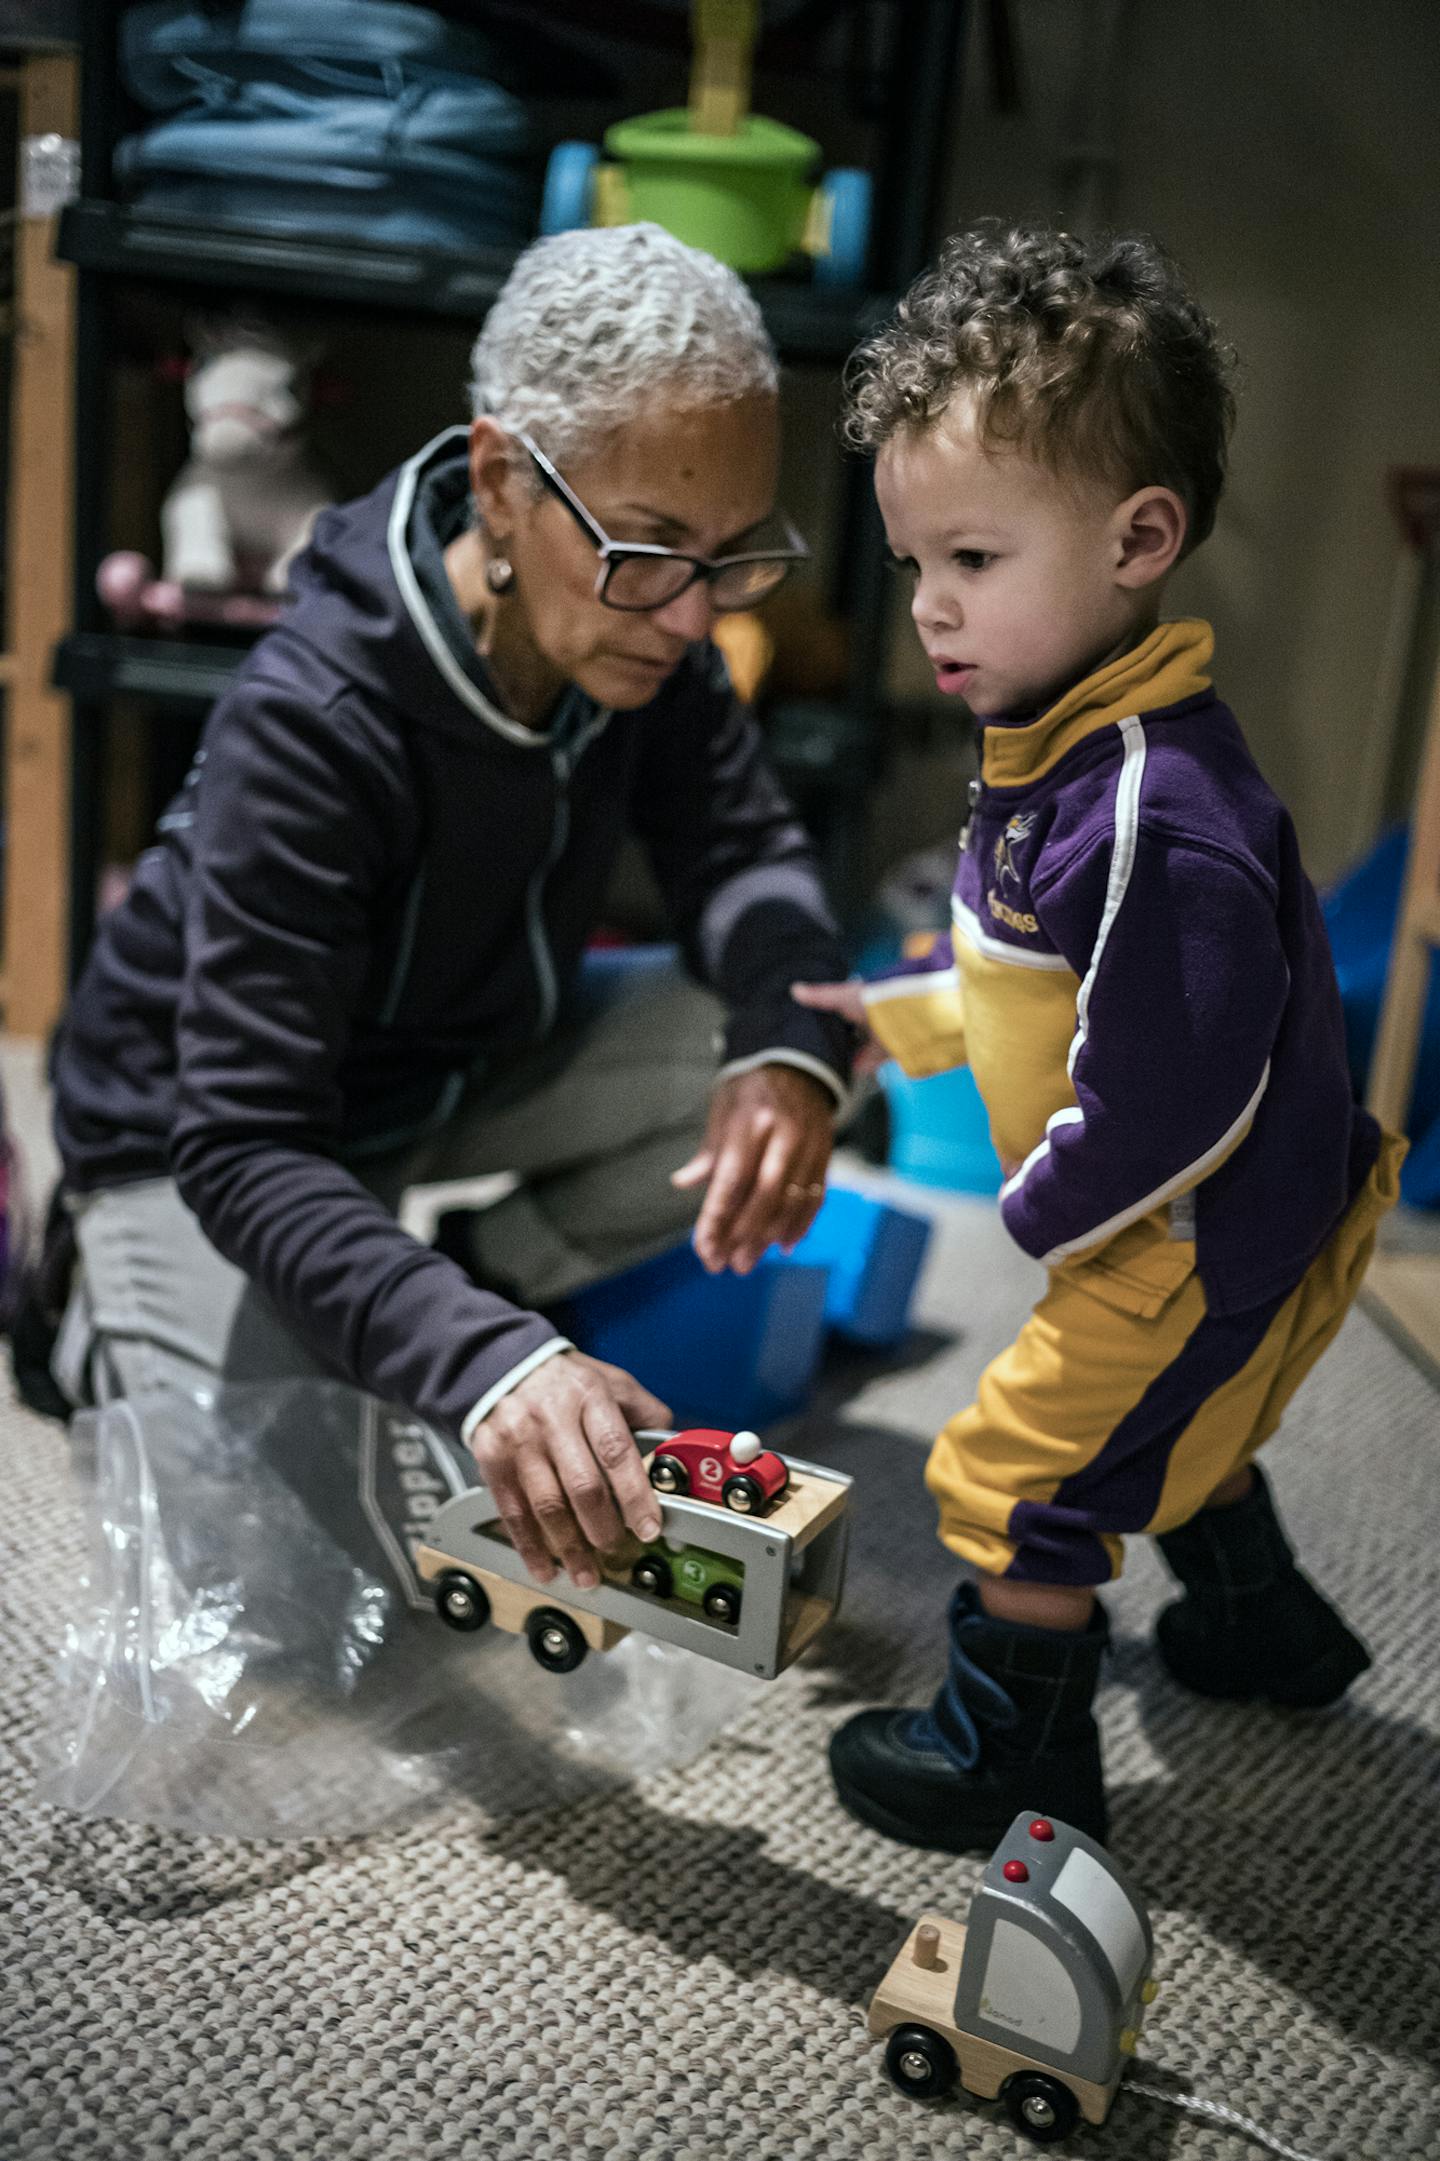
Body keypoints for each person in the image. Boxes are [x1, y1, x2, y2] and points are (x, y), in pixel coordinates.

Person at [47, 222, 855, 1596]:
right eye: (648, 551)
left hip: (446, 1062)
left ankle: (462, 1282)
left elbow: (747, 853)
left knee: (791, 1035)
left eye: (731, 557)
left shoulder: (651, 627)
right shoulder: (314, 719)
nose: (692, 617)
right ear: (498, 481)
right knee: (277, 1581)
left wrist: (788, 1048)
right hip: (200, 1136)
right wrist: (488, 1367)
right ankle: (90, 1301)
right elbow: (244, 1139)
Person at [794, 221, 1404, 1853]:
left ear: (1143, 536)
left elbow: (1175, 1087)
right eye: (916, 563)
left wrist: (1039, 1211)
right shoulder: (1053, 749)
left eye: (974, 562)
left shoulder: (1159, 809)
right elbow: (1025, 977)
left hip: (1183, 1229)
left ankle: (1014, 1761)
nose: (929, 608)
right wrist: (901, 1016)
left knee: (1017, 1472)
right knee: (1175, 1435)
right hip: (1176, 1226)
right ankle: (1264, 1627)